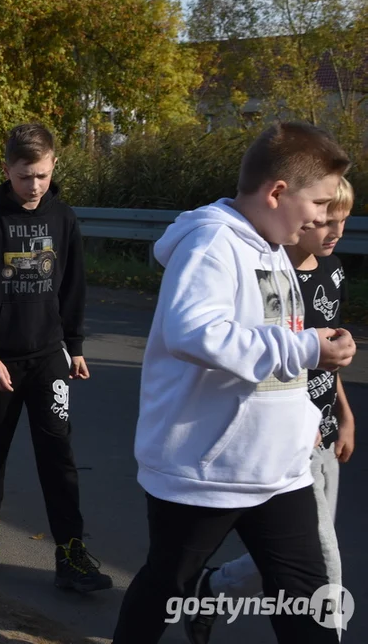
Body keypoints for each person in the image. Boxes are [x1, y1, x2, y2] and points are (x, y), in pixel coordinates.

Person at [111, 122, 357, 644]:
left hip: (280, 469)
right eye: (317, 203)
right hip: (207, 470)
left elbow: (271, 345)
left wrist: (300, 418)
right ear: (277, 192)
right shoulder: (212, 242)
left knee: (308, 599)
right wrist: (310, 348)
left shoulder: (274, 247)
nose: (321, 217)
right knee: (165, 587)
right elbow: (193, 332)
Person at [182, 175, 358, 642]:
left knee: (300, 553)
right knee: (324, 566)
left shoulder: (333, 269)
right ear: (300, 217)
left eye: (342, 220)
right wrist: (298, 418)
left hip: (322, 429)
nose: (333, 229)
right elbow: (258, 356)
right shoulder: (271, 271)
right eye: (324, 218)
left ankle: (212, 587)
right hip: (286, 438)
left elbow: (326, 353)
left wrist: (344, 414)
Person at [0, 123, 111, 592]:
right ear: (6, 170)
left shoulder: (63, 219)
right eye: (25, 176)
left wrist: (75, 346)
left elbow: (72, 287)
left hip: (48, 359)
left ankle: (70, 551)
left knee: (58, 455)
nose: (35, 185)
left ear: (54, 167)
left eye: (42, 175)